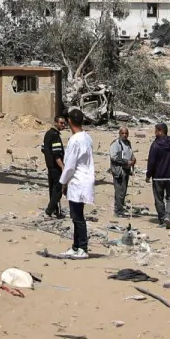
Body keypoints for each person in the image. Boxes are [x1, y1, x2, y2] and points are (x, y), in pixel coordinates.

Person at [57, 107, 95, 258]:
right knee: (76, 215)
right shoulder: (87, 137)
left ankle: (83, 247)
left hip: (78, 181)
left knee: (78, 217)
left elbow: (70, 165)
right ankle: (75, 246)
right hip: (84, 179)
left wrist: (63, 183)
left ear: (69, 121)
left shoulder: (75, 140)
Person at [146, 121, 170, 228]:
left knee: (159, 199)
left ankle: (162, 220)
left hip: (158, 177)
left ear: (161, 132)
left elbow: (151, 162)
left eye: (156, 131)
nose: (155, 133)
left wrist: (148, 175)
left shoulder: (155, 145)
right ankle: (168, 216)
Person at [41, 114, 67, 218]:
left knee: (52, 189)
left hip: (50, 166)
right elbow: (57, 155)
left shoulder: (48, 134)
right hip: (56, 168)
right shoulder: (55, 135)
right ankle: (49, 210)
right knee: (58, 190)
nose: (63, 125)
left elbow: (43, 149)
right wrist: (62, 167)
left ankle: (56, 210)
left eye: (64, 123)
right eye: (61, 123)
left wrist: (48, 157)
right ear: (55, 123)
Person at [108, 126, 136, 217]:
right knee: (119, 190)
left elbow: (130, 153)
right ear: (119, 134)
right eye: (123, 133)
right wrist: (127, 162)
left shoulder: (128, 143)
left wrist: (133, 159)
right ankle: (118, 211)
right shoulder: (116, 144)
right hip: (118, 171)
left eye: (126, 133)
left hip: (126, 170)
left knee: (123, 190)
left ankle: (120, 208)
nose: (124, 135)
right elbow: (114, 157)